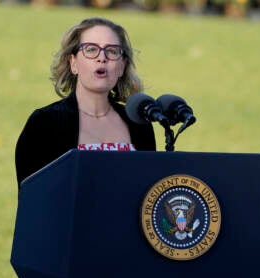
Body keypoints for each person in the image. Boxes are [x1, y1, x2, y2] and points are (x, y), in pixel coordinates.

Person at [15, 17, 156, 187]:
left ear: (122, 66)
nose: (102, 58)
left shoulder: (139, 124)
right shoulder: (44, 123)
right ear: (73, 63)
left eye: (112, 51)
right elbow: (33, 199)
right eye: (91, 50)